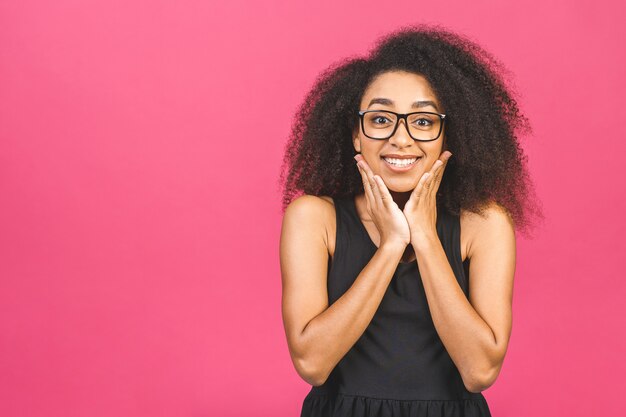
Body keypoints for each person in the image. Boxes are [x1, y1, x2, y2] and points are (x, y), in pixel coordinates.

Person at [278, 24, 543, 417]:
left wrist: (424, 235)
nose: (401, 139)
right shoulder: (314, 218)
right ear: (356, 134)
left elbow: (479, 371)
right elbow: (312, 364)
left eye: (422, 121)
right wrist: (390, 245)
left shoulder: (484, 224)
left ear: (448, 136)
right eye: (381, 119)